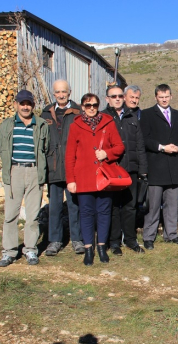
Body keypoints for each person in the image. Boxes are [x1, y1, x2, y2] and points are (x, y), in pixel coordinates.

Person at [65, 93, 125, 266]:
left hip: (104, 177)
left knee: (104, 212)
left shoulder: (108, 122)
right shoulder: (75, 125)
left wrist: (107, 153)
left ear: (98, 106)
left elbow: (120, 146)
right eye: (87, 105)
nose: (91, 108)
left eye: (94, 105)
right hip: (83, 177)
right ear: (82, 107)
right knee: (86, 213)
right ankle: (88, 249)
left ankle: (101, 247)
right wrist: (71, 180)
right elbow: (70, 156)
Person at [0, 90, 49, 267]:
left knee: (33, 215)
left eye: (28, 103)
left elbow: (46, 148)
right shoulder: (6, 125)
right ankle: (9, 252)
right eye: (22, 103)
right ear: (16, 105)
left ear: (33, 105)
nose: (25, 106)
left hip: (34, 171)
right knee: (10, 215)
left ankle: (30, 249)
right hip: (14, 171)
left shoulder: (41, 125)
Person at [141, 84, 178, 250]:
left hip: (173, 167)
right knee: (153, 206)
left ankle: (171, 235)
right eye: (161, 97)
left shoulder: (177, 115)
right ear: (156, 97)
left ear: (171, 96)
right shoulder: (147, 115)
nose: (164, 99)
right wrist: (162, 147)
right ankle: (148, 237)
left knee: (172, 205)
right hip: (156, 166)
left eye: (166, 96)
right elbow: (145, 139)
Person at [41, 79, 85, 256]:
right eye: (58, 92)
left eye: (64, 92)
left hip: (72, 168)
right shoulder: (46, 113)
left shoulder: (78, 112)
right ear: (54, 94)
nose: (61, 95)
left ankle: (77, 239)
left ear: (69, 92)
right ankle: (55, 240)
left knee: (75, 205)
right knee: (55, 207)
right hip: (53, 167)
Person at [102, 85, 147, 255]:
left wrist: (143, 169)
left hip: (131, 169)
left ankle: (130, 239)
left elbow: (140, 145)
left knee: (130, 206)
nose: (117, 98)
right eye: (113, 96)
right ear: (108, 99)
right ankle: (114, 242)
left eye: (120, 95)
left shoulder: (132, 117)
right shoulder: (104, 117)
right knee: (113, 207)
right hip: (112, 170)